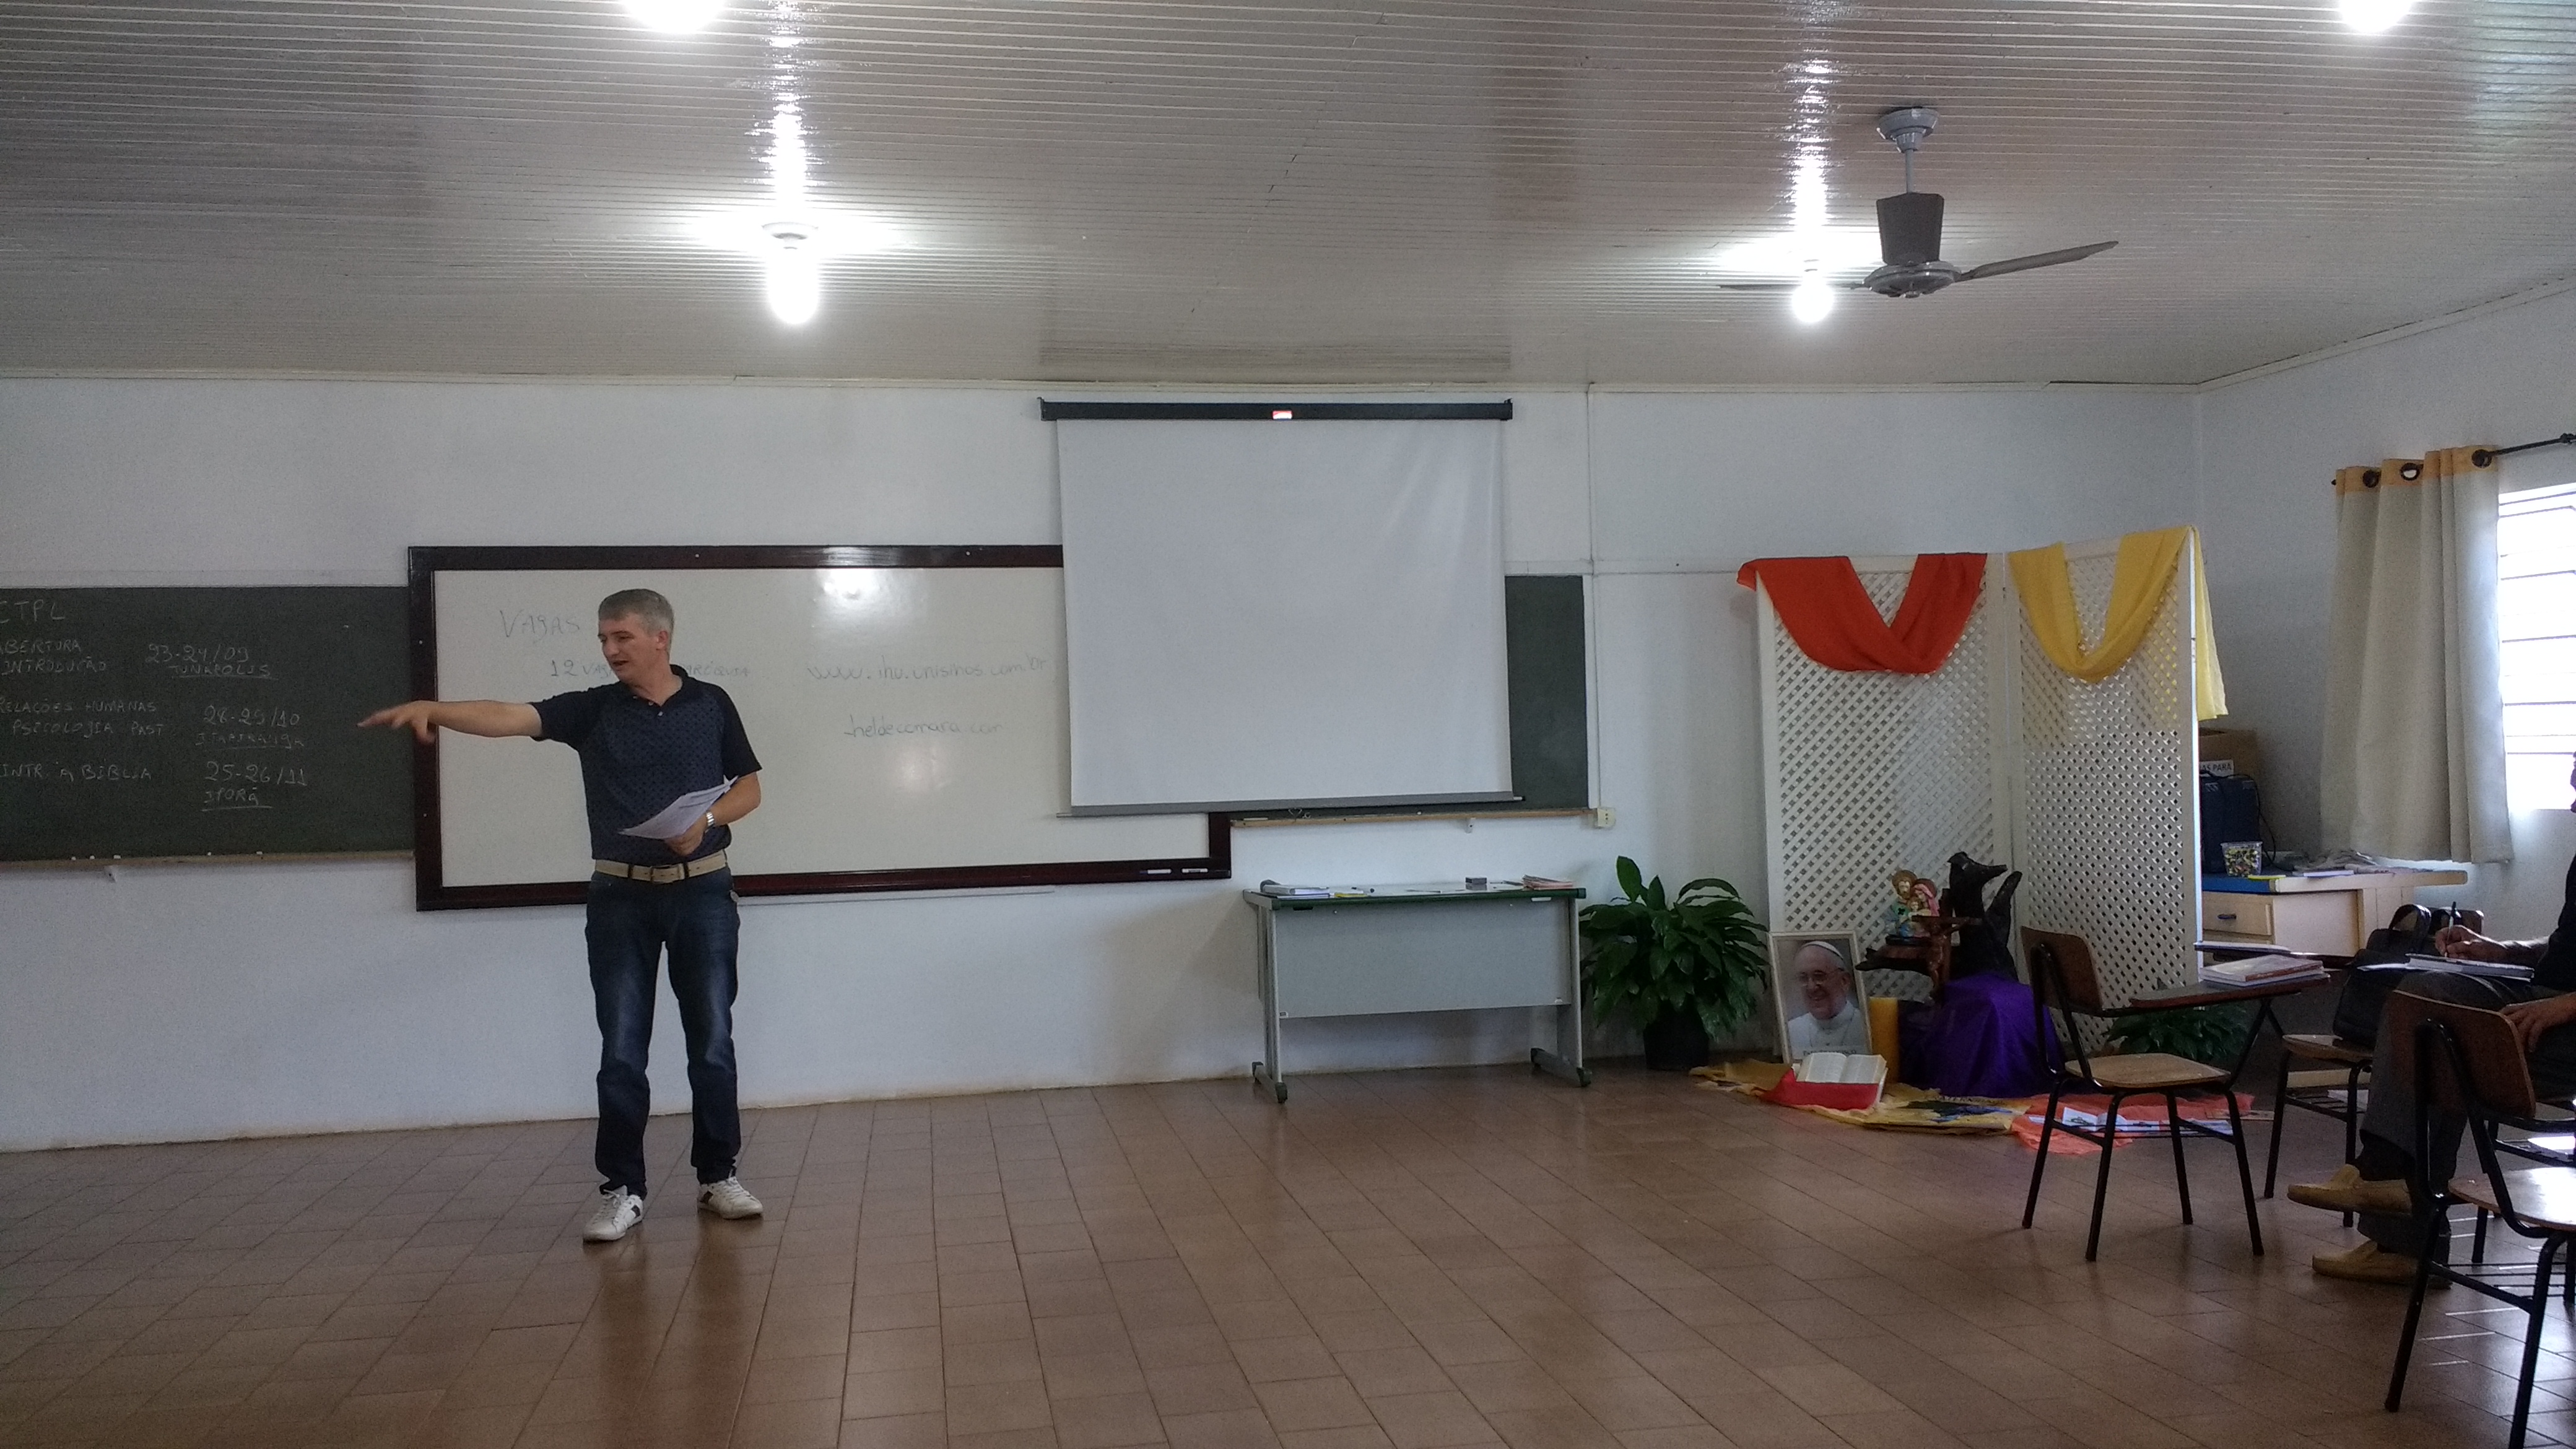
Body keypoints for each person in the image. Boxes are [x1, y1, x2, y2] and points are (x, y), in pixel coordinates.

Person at [363, 588, 765, 1243]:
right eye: (603, 639)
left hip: (702, 892)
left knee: (712, 1045)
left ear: (659, 638)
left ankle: (718, 1176)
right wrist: (437, 709)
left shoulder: (711, 703)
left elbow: (748, 787)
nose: (609, 650)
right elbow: (508, 716)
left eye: (621, 637)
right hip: (620, 898)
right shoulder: (594, 709)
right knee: (622, 1051)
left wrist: (707, 820)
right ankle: (623, 1190)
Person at [2287, 755, 2576, 1284]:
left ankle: (2390, 1189)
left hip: (2563, 1017)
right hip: (2546, 999)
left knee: (2442, 1028)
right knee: (2430, 1012)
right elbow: (2565, 949)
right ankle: (2399, 1227)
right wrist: (2502, 950)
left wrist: (2566, 1004)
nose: (2573, 802)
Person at [1785, 939, 1874, 1060]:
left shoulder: (1867, 1027)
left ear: (1844, 981)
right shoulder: (1791, 1030)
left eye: (1819, 976)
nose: (1811, 988)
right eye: (1803, 978)